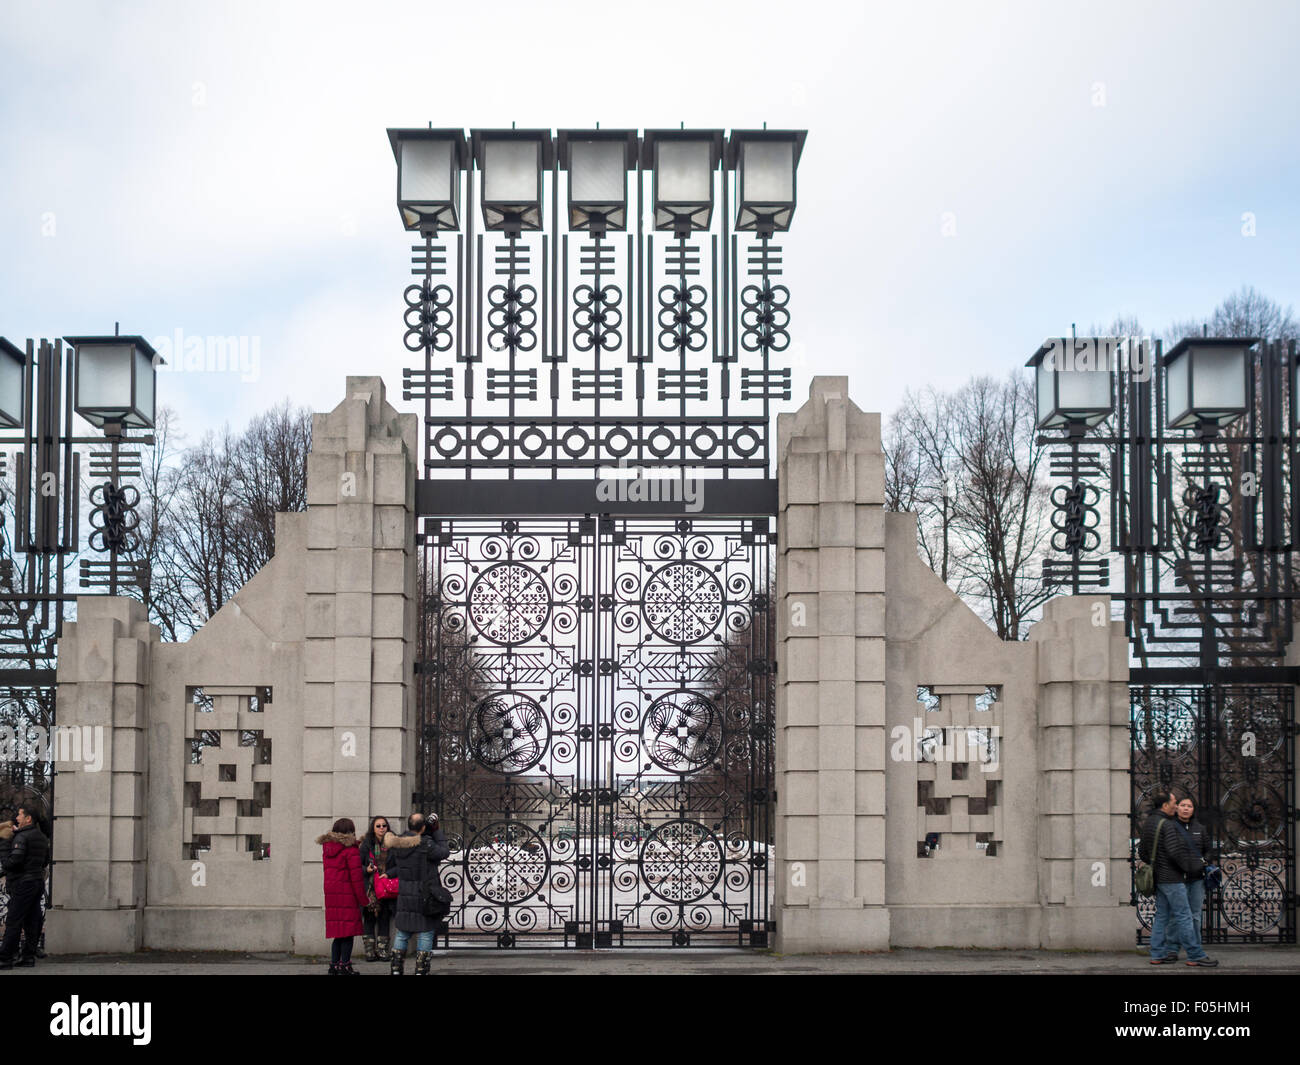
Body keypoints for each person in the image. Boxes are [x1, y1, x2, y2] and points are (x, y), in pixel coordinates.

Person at [1139, 789, 1216, 967]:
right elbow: (1174, 852)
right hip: (1172, 878)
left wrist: (1156, 863)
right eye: (1174, 802)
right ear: (1165, 805)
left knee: (1161, 916)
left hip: (1158, 877)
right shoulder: (1167, 824)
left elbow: (1142, 851)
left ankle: (1157, 954)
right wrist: (1193, 867)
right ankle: (1195, 955)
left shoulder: (1149, 822)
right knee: (1184, 916)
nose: (1176, 805)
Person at [384, 812, 450, 976]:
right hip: (424, 895)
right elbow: (444, 852)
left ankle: (396, 969)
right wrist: (436, 831)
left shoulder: (398, 843)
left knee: (403, 932)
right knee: (425, 932)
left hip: (405, 894)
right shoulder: (425, 843)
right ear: (423, 827)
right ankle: (421, 971)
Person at [317, 817, 369, 975]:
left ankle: (334, 965)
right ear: (350, 832)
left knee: (338, 934)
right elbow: (357, 879)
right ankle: (345, 966)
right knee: (347, 934)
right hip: (348, 897)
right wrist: (364, 900)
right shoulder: (351, 850)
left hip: (333, 897)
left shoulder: (328, 849)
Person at [0, 804, 49, 969]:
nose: (17, 818)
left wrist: (5, 848)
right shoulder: (41, 837)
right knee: (32, 921)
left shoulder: (21, 837)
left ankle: (5, 958)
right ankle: (28, 956)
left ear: (28, 818)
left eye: (20, 815)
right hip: (36, 882)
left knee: (14, 920)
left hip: (23, 884)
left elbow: (13, 862)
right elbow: (45, 861)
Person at [1175, 794, 1213, 954]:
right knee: (1175, 915)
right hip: (1176, 878)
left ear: (1193, 809)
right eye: (1183, 805)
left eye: (1189, 806)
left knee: (1195, 914)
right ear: (1176, 807)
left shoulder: (1200, 828)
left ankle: (1195, 947)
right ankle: (1173, 948)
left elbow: (1209, 850)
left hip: (1197, 879)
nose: (1185, 808)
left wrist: (1203, 862)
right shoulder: (1170, 826)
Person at [359, 816, 394, 961]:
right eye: (378, 826)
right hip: (370, 888)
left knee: (384, 917)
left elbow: (399, 865)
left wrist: (388, 873)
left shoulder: (393, 843)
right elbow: (357, 865)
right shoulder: (366, 845)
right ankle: (369, 951)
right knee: (369, 918)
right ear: (373, 828)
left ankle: (383, 951)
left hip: (386, 887)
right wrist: (366, 869)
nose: (381, 828)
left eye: (384, 825)